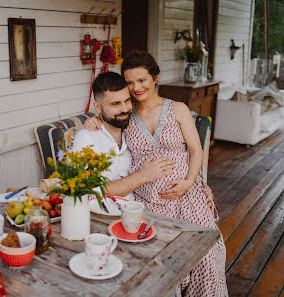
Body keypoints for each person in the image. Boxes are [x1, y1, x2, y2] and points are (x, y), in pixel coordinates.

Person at [84, 51, 227, 297]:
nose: (136, 87)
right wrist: (91, 122)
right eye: (130, 82)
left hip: (187, 198)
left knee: (207, 258)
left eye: (142, 80)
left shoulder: (178, 109)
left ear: (155, 78)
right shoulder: (126, 115)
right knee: (166, 266)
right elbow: (106, 117)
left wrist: (190, 182)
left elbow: (196, 150)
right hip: (147, 203)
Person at [71, 72, 176, 201]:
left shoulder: (134, 132)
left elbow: (177, 150)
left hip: (143, 208)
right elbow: (90, 190)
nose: (125, 109)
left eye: (127, 101)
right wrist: (142, 176)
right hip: (101, 216)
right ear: (98, 107)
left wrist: (196, 187)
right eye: (115, 104)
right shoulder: (86, 139)